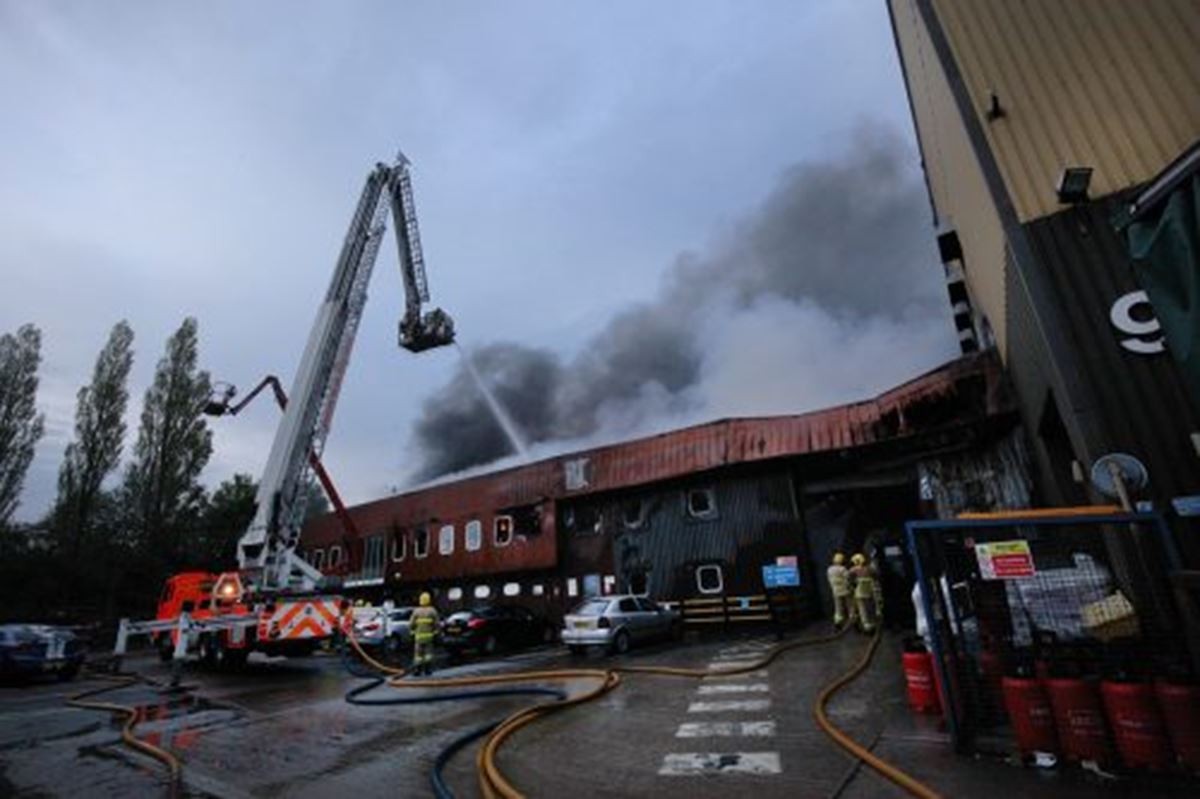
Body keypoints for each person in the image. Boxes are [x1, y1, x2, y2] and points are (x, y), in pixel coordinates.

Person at [410, 592, 440, 676]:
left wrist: (412, 632)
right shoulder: (432, 611)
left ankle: (417, 670)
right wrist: (436, 632)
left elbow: (411, 624)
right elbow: (437, 623)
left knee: (418, 655)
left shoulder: (416, 611)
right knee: (428, 654)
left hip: (418, 638)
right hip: (429, 638)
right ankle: (428, 670)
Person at [850, 553, 877, 633]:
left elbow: (848, 578)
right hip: (869, 593)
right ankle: (872, 624)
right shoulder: (870, 569)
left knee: (862, 610)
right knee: (870, 608)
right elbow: (875, 576)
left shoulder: (853, 570)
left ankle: (866, 626)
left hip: (859, 594)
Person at [827, 552, 852, 628]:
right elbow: (848, 578)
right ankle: (852, 619)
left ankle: (838, 620)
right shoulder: (843, 569)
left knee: (838, 607)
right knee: (850, 605)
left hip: (835, 590)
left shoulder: (829, 569)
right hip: (845, 589)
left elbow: (829, 579)